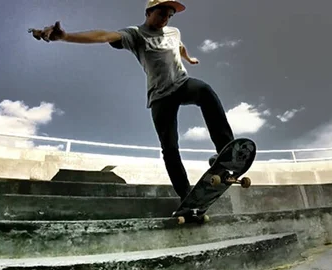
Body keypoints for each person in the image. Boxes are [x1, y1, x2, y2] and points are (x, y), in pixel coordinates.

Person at [28, 0, 236, 201]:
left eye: (169, 16)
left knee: (206, 92)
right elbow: (103, 35)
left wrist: (188, 58)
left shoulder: (174, 32)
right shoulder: (135, 34)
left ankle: (226, 151)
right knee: (170, 147)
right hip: (160, 96)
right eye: (161, 13)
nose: (165, 19)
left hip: (182, 84)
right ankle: (186, 196)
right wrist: (66, 36)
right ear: (148, 13)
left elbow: (179, 47)